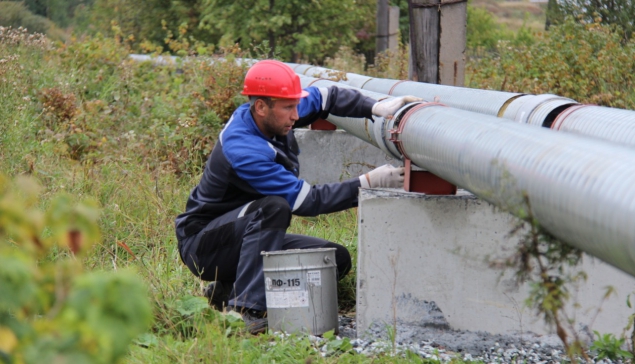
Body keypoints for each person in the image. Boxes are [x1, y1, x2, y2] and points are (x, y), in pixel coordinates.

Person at [175, 59, 419, 334]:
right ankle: (244, 311)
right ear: (260, 107)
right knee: (273, 208)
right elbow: (305, 201)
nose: (295, 115)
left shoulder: (272, 114)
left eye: (295, 105)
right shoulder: (244, 148)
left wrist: (375, 107)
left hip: (242, 232)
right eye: (288, 108)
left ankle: (227, 288)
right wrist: (366, 183)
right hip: (204, 245)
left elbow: (328, 97)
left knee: (333, 260)